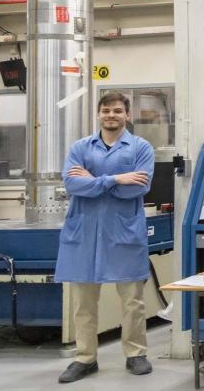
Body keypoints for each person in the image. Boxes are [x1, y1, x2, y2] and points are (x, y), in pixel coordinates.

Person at [55, 92, 155, 383]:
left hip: (123, 232)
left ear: (127, 115)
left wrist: (94, 180)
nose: (111, 115)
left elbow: (138, 187)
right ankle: (85, 358)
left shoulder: (140, 147)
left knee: (132, 301)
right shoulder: (80, 147)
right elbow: (73, 184)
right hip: (84, 232)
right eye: (106, 110)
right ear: (98, 114)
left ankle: (135, 354)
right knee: (83, 303)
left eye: (117, 111)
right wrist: (115, 179)